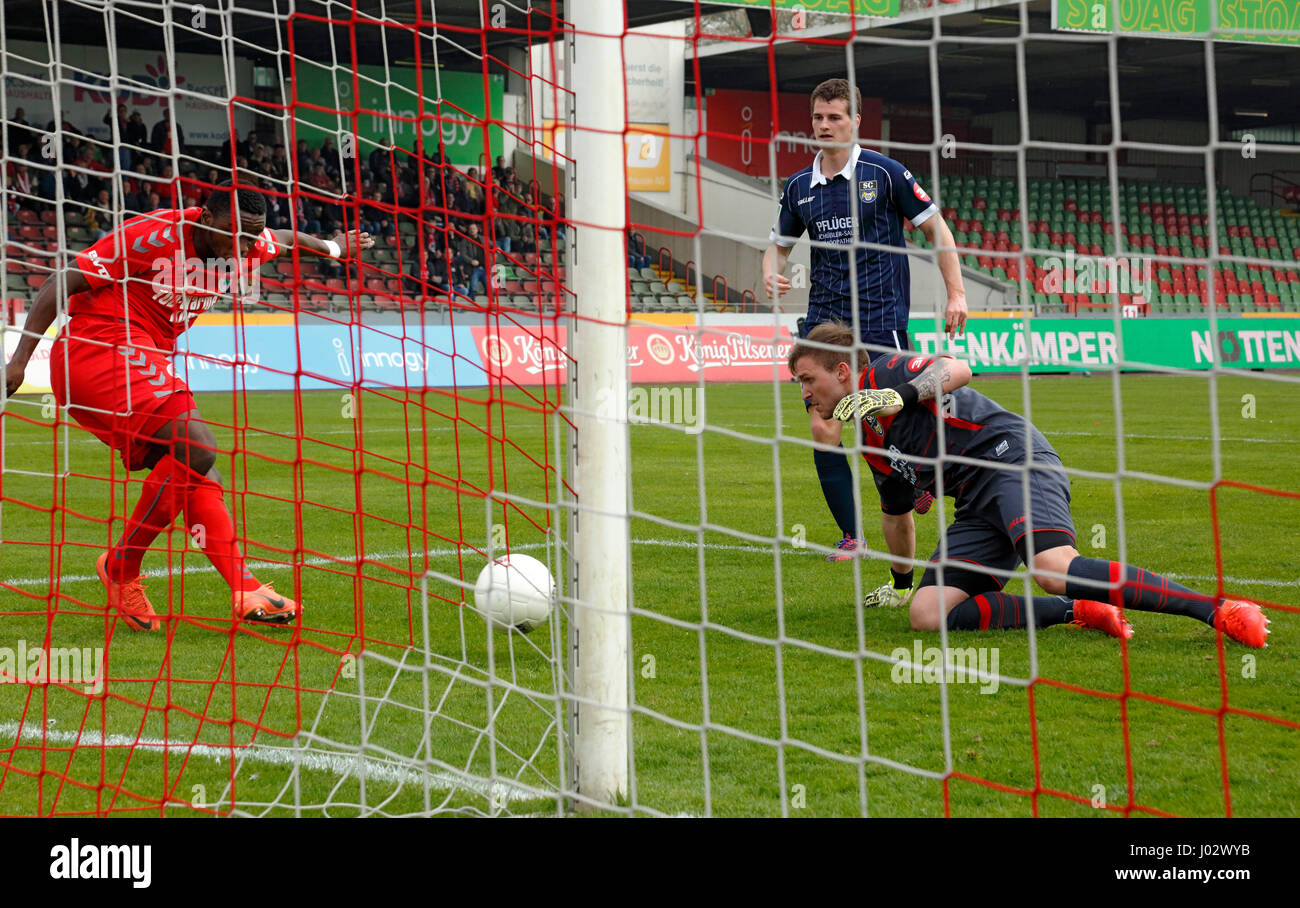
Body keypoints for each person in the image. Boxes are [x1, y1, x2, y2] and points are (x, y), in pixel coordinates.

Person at [3, 181, 374, 632]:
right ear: (205, 218)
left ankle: (239, 586)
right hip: (95, 348)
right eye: (235, 234)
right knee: (198, 446)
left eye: (251, 237)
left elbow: (291, 237)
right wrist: (19, 361)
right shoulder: (152, 236)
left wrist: (334, 247)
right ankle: (123, 565)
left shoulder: (247, 243)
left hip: (141, 359)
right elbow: (62, 280)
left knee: (196, 468)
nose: (244, 247)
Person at [785, 322, 1270, 648]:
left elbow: (957, 368)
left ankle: (1218, 610)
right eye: (798, 384)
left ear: (842, 370)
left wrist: (900, 394)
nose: (804, 392)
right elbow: (896, 517)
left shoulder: (883, 371)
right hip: (975, 501)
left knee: (1051, 566)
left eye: (807, 379)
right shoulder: (870, 443)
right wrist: (901, 584)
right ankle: (1075, 610)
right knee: (928, 615)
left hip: (1012, 459)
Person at [763, 78, 968, 564]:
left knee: (888, 417)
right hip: (823, 326)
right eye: (818, 117)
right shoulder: (799, 187)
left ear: (856, 121)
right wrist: (772, 274)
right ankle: (852, 537)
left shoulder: (886, 172)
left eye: (835, 117)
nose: (825, 125)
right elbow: (777, 246)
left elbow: (937, 228)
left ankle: (914, 480)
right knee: (823, 426)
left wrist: (956, 292)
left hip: (881, 321)